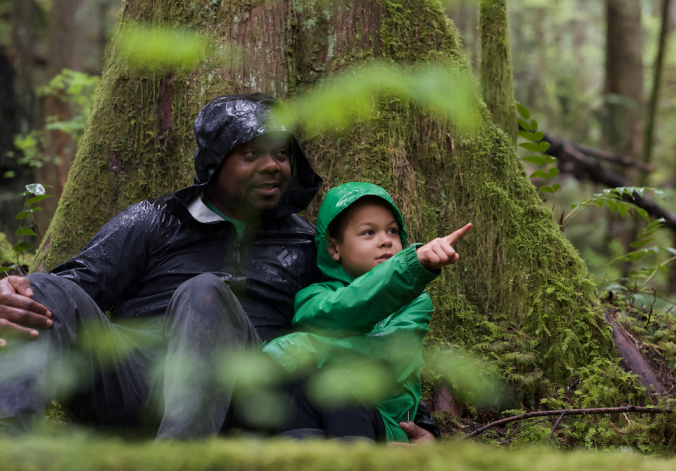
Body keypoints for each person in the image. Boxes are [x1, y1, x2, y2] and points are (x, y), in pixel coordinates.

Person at [0, 94, 438, 441]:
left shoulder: (307, 244)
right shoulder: (154, 220)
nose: (273, 166)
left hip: (242, 399)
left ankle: (179, 459)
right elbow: (71, 287)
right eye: (252, 154)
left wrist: (414, 422)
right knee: (39, 290)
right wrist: (11, 295)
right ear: (215, 162)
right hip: (134, 385)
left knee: (204, 292)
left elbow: (358, 318)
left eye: (282, 154)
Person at [262, 182, 470, 443]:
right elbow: (345, 310)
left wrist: (302, 346)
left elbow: (384, 353)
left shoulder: (415, 302)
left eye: (393, 231)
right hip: (319, 422)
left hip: (386, 424)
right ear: (334, 248)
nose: (386, 240)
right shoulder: (313, 297)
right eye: (369, 232)